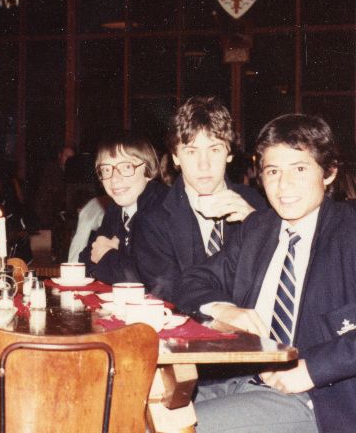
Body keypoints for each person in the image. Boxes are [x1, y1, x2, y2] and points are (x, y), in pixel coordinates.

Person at [177, 114, 356, 433]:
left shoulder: (349, 232)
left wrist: (311, 369)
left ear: (328, 173)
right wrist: (224, 309)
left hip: (316, 397)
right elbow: (192, 281)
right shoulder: (258, 229)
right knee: (136, 408)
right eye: (273, 171)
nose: (283, 185)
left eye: (299, 169)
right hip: (239, 376)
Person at [134, 96, 266, 302]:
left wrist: (256, 225)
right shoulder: (152, 219)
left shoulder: (260, 207)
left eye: (214, 150)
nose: (204, 165)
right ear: (176, 157)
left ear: (229, 153)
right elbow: (169, 291)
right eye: (191, 151)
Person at [78, 132, 168, 284]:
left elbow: (152, 279)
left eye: (126, 167)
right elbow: (87, 257)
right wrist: (113, 258)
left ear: (148, 170)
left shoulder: (161, 206)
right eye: (106, 169)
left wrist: (108, 255)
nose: (114, 179)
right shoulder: (116, 208)